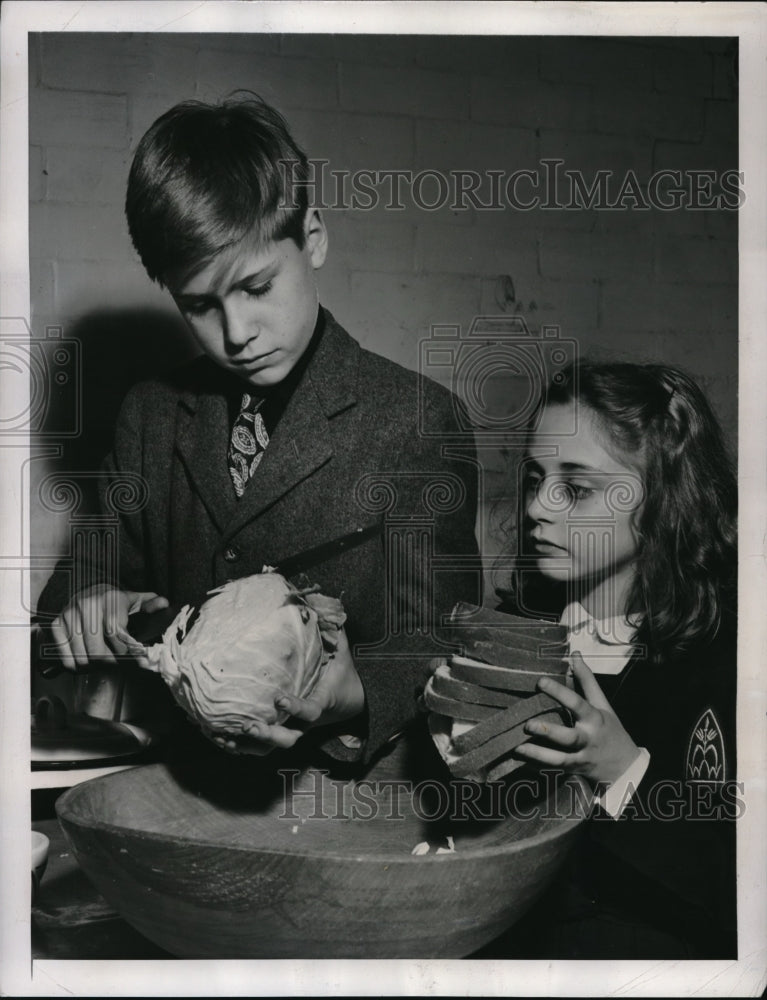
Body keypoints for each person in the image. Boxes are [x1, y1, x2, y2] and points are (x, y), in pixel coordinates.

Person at [37, 95, 480, 766]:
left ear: (313, 237)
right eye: (200, 306)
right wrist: (85, 606)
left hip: (344, 799)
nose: (237, 333)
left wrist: (351, 691)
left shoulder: (415, 421)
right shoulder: (149, 416)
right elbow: (75, 591)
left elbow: (440, 641)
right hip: (176, 785)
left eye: (257, 286)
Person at [486, 359, 737, 958]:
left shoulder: (722, 659)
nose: (538, 508)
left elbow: (728, 884)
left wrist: (625, 772)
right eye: (535, 478)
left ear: (658, 503)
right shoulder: (513, 632)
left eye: (574, 487)